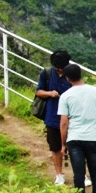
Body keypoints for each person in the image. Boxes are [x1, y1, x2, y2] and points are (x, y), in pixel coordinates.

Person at [56, 64, 96, 193]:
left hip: (74, 139)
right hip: (93, 138)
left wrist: (63, 144)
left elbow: (64, 123)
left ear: (67, 78)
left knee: (78, 174)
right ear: (81, 74)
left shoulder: (66, 96)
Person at [34, 50, 73, 184]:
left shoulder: (71, 72)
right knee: (55, 147)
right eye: (58, 68)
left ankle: (81, 174)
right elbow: (39, 91)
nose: (60, 70)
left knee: (75, 146)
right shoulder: (47, 73)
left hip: (71, 117)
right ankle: (59, 174)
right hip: (52, 116)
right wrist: (50, 93)